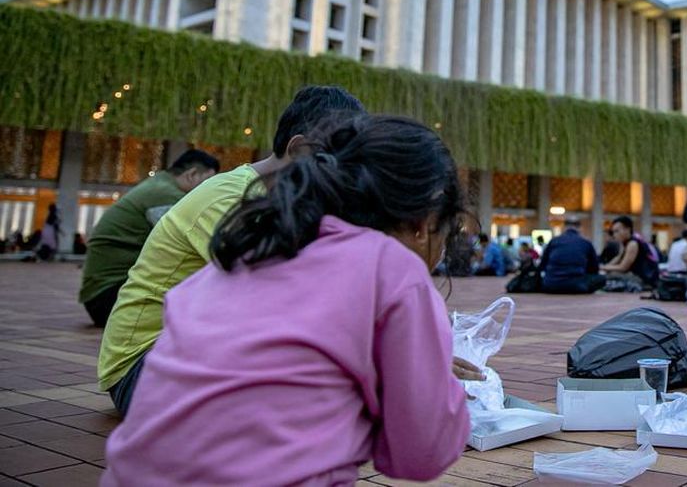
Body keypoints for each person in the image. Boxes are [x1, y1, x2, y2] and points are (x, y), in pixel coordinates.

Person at [101, 114, 475, 485]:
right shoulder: (394, 269)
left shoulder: (250, 246)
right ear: (425, 222)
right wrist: (431, 380)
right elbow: (423, 455)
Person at [97, 85, 365, 416]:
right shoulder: (229, 199)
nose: (342, 177)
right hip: (142, 365)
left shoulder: (276, 202)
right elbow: (281, 297)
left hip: (188, 353)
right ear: (298, 149)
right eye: (335, 163)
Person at [77, 150, 220, 328]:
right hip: (112, 301)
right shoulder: (166, 195)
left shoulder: (158, 186)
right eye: (207, 183)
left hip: (105, 297)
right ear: (191, 174)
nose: (209, 192)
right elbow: (194, 242)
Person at [541, 216, 605, 294]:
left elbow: (543, 264)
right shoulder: (586, 242)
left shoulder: (554, 241)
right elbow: (594, 268)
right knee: (601, 279)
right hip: (576, 285)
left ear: (564, 227)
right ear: (579, 228)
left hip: (551, 285)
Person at [601, 216, 657, 291]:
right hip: (636, 276)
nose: (614, 235)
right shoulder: (626, 243)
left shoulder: (633, 244)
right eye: (613, 232)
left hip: (643, 279)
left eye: (617, 231)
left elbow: (623, 267)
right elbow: (618, 258)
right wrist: (606, 267)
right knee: (606, 275)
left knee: (607, 277)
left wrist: (603, 268)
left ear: (627, 229)